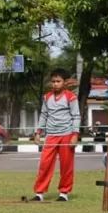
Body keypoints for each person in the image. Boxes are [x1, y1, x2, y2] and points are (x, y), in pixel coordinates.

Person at [32, 68, 80, 202]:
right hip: (51, 135)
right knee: (45, 164)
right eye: (53, 81)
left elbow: (76, 116)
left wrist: (75, 135)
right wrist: (38, 132)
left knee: (66, 165)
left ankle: (64, 193)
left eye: (58, 81)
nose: (55, 84)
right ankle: (39, 193)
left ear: (64, 82)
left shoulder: (71, 97)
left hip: (67, 134)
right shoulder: (47, 97)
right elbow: (43, 115)